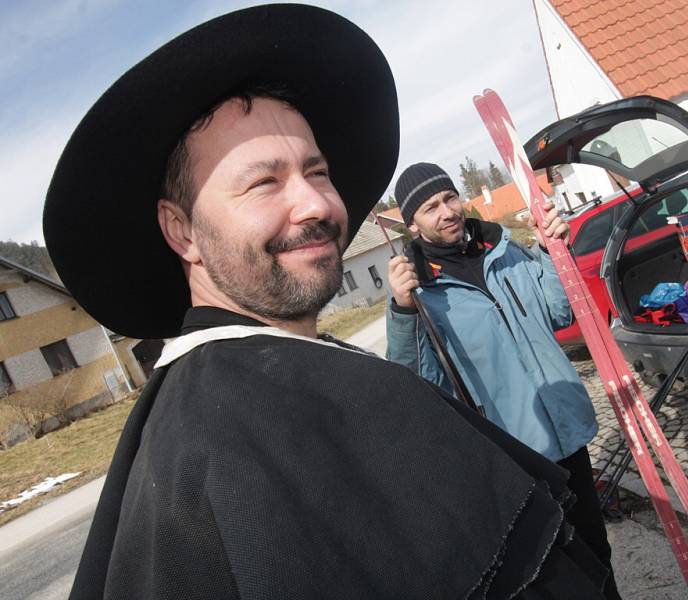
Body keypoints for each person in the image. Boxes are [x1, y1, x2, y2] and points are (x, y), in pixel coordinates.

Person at [44, 6, 608, 599]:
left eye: (317, 172)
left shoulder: (267, 380)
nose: (315, 204)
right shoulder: (234, 423)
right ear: (183, 232)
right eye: (264, 182)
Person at [386, 162, 621, 599]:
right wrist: (402, 312)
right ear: (413, 223)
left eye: (450, 197)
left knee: (597, 552)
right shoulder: (417, 291)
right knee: (555, 574)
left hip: (566, 436)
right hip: (514, 455)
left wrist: (553, 252)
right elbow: (416, 381)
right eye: (431, 207)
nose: (447, 211)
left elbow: (560, 313)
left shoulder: (504, 249)